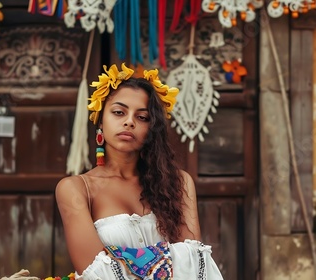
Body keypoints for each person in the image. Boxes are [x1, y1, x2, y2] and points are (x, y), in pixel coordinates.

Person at [55, 63, 224, 279]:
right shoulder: (76, 189)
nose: (129, 122)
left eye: (142, 117)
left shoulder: (178, 183)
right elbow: (98, 273)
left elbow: (194, 261)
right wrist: (169, 258)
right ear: (100, 120)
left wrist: (120, 257)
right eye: (118, 112)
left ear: (151, 128)